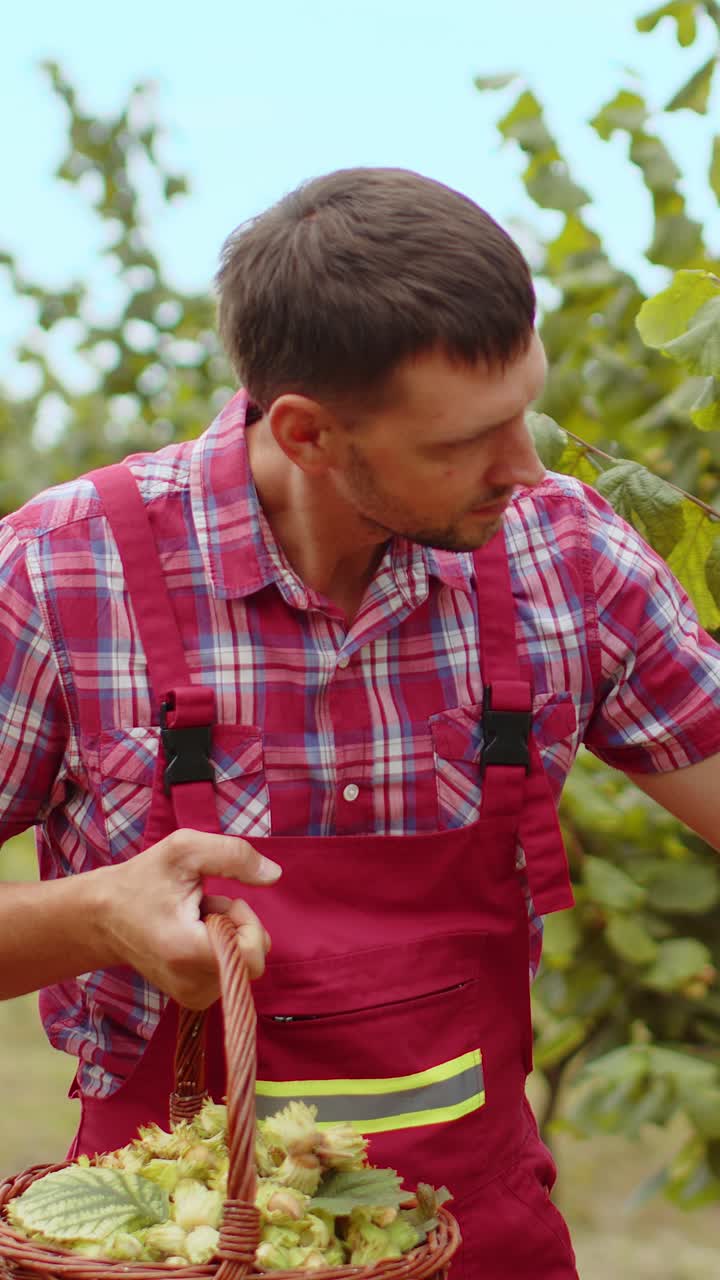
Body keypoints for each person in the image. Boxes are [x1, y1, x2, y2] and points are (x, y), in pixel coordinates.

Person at [2, 167, 720, 1280]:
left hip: (479, 1242)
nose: (526, 467)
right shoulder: (61, 571)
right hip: (189, 1235)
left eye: (524, 405)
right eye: (464, 441)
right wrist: (98, 914)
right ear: (307, 433)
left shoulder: (562, 554)